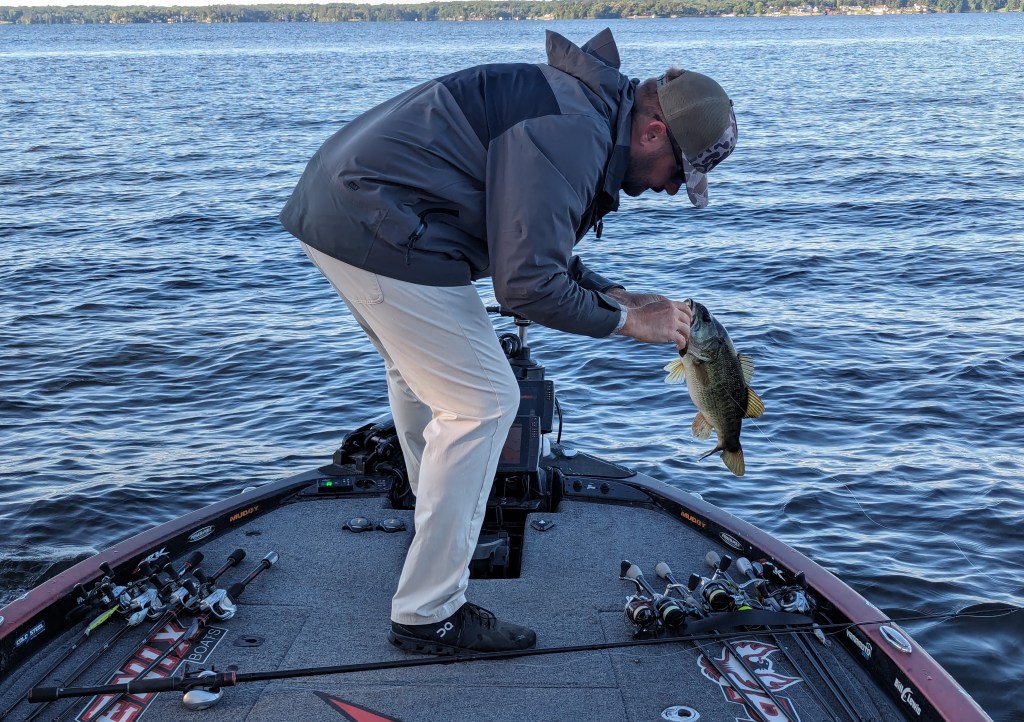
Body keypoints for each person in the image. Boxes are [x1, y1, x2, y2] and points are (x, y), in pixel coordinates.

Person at [279, 27, 738, 656]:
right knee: (485, 402)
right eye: (677, 173)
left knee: (425, 380)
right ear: (654, 132)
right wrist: (628, 323)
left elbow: (524, 232)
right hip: (379, 222)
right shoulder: (574, 131)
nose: (669, 189)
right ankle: (429, 614)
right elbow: (525, 286)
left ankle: (438, 527)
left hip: (346, 205)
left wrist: (614, 293)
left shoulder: (585, 112)